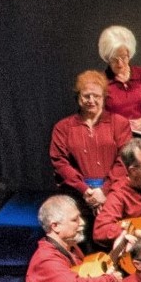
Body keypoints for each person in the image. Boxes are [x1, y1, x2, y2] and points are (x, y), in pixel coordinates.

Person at [48, 70, 130, 230]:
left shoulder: (119, 123)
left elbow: (124, 159)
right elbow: (59, 162)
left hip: (113, 195)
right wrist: (85, 190)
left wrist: (104, 191)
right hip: (76, 197)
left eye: (96, 96)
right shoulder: (63, 127)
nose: (91, 100)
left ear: (104, 97)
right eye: (86, 96)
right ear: (78, 97)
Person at [98, 25, 141, 132]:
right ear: (107, 58)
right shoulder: (101, 82)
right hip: (115, 138)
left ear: (129, 54)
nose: (120, 63)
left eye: (123, 57)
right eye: (114, 59)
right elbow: (96, 117)